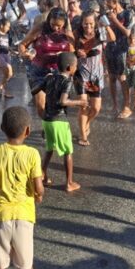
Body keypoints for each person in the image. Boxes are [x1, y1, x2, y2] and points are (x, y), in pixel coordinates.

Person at [0, 107, 44, 269]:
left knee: (0, 265)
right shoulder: (32, 154)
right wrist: (38, 195)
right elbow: (39, 187)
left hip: (1, 217)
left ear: (2, 128)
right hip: (24, 216)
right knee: (26, 266)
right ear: (27, 131)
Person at [33, 52, 84, 193]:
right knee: (68, 152)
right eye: (75, 66)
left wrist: (45, 81)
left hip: (47, 120)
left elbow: (34, 90)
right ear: (69, 68)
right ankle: (69, 183)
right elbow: (63, 101)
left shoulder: (50, 78)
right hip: (59, 121)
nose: (76, 68)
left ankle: (43, 176)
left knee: (49, 149)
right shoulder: (67, 81)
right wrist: (80, 102)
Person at [19, 8, 73, 118]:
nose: (56, 28)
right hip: (39, 71)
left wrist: (65, 55)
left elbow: (73, 53)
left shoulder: (67, 33)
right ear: (49, 20)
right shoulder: (40, 29)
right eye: (53, 24)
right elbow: (22, 45)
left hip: (59, 72)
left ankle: (52, 124)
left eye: (59, 26)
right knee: (41, 105)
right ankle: (46, 123)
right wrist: (24, 53)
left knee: (57, 106)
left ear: (64, 23)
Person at [73, 9, 114, 146]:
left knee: (96, 108)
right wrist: (76, 52)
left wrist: (106, 25)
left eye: (91, 24)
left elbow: (112, 38)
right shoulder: (77, 34)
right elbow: (69, 49)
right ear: (81, 23)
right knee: (83, 106)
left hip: (95, 76)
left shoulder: (99, 33)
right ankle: (83, 135)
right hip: (81, 75)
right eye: (86, 24)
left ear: (95, 23)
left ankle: (87, 122)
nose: (88, 27)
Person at [119, 31, 135, 118]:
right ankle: (128, 101)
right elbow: (124, 58)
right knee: (128, 85)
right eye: (130, 39)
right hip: (128, 68)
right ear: (128, 39)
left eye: (133, 39)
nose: (132, 40)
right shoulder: (126, 47)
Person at [0, 18, 14, 99]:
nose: (9, 28)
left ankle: (3, 90)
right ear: (1, 26)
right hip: (0, 55)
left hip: (7, 55)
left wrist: (13, 51)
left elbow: (7, 46)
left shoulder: (6, 35)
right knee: (9, 73)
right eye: (7, 26)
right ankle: (0, 86)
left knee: (6, 75)